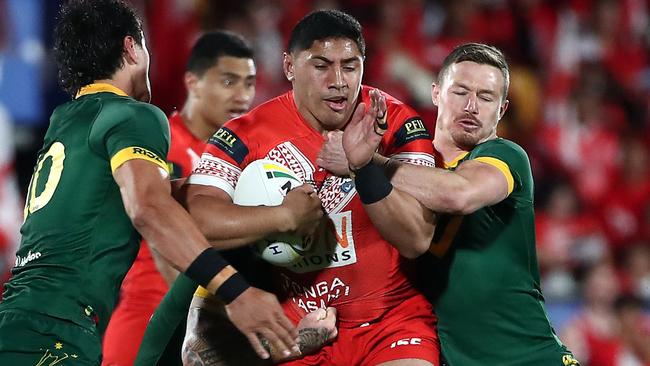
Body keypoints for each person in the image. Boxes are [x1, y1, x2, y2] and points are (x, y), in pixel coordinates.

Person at [0, 0, 322, 364]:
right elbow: (149, 208)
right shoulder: (134, 116)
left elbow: (164, 201)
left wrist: (255, 199)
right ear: (131, 47)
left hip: (18, 322)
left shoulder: (67, 120)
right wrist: (238, 292)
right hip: (56, 333)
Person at [140, 9, 440, 366]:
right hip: (295, 323)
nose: (338, 81)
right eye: (321, 65)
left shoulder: (396, 123)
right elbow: (200, 219)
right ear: (289, 67)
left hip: (390, 322)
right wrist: (283, 216)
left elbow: (416, 239)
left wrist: (363, 167)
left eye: (350, 66)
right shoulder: (244, 135)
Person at [328, 42, 579, 365]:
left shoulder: (506, 156)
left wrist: (364, 163)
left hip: (530, 356)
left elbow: (456, 194)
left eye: (486, 97)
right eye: (460, 92)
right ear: (436, 94)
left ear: (501, 110)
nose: (471, 106)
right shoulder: (402, 171)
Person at [101, 30, 258, 366]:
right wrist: (226, 309)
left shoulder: (241, 158)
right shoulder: (162, 145)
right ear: (194, 82)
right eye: (229, 82)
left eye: (249, 83)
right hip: (152, 317)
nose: (243, 96)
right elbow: (162, 246)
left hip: (209, 318)